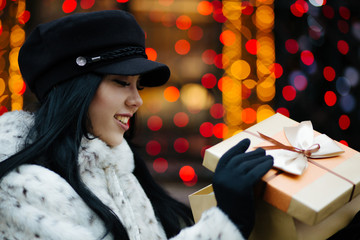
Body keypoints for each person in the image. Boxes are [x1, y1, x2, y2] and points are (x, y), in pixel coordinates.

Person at [0, 10, 274, 240]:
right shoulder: (21, 191)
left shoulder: (117, 170)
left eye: (138, 86)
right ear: (75, 90)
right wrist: (225, 222)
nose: (137, 100)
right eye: (121, 83)